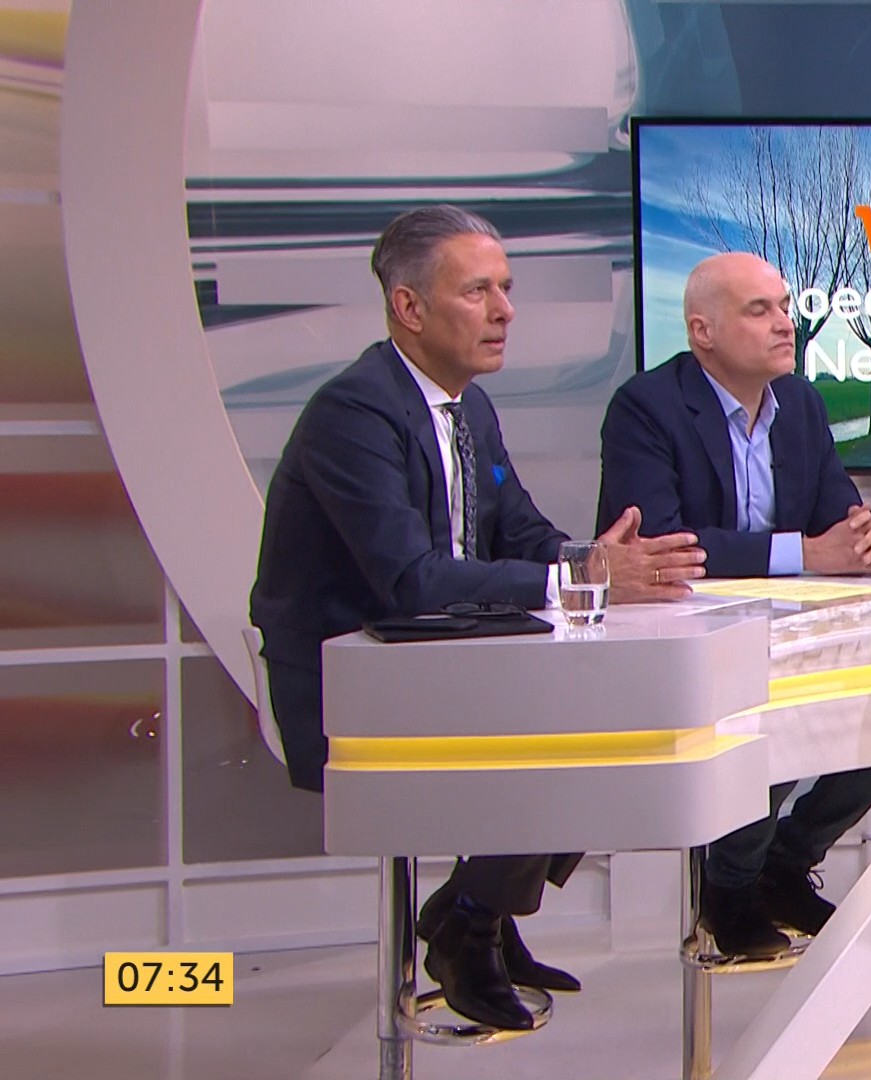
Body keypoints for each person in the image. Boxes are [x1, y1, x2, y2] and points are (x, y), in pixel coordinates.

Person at [250, 205, 707, 1030]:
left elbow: (521, 532)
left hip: (442, 662)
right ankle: (469, 922)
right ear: (409, 307)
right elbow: (412, 581)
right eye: (478, 292)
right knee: (576, 724)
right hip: (354, 687)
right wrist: (579, 576)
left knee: (624, 711)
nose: (505, 311)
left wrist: (595, 558)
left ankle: (480, 910)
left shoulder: (469, 409)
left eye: (506, 288)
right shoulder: (355, 414)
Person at [597, 251, 871, 959]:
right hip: (690, 641)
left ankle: (785, 861)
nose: (785, 324)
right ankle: (731, 887)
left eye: (785, 306)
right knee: (770, 711)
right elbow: (659, 546)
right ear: (702, 331)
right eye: (759, 310)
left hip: (792, 635)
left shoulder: (799, 403)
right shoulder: (646, 407)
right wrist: (809, 552)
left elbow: (839, 519)